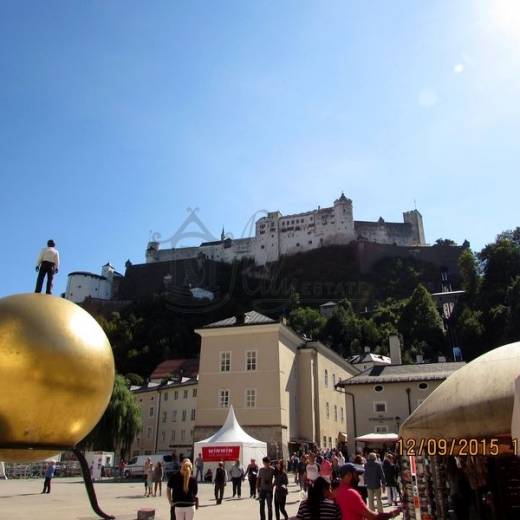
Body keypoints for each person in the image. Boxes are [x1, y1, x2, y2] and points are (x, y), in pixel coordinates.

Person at [335, 464, 399, 520]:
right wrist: (391, 514)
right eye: (356, 475)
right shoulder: (351, 493)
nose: (358, 478)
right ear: (348, 475)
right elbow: (372, 517)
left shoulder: (336, 491)